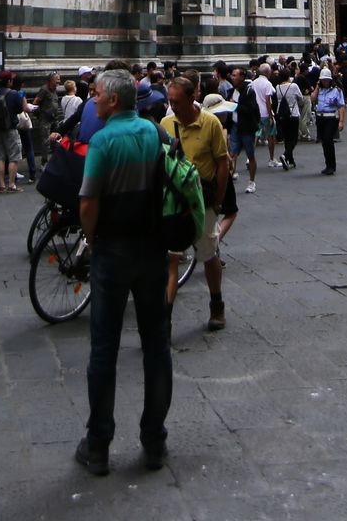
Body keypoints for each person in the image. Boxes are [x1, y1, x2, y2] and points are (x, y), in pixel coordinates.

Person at [74, 69, 171, 476]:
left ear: (114, 101)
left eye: (97, 95)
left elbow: (88, 201)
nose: (92, 99)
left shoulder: (101, 140)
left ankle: (98, 444)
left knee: (103, 349)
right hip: (152, 249)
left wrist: (92, 240)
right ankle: (154, 440)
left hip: (113, 252)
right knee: (156, 346)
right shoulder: (154, 133)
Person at [161, 77, 229, 331]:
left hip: (203, 200)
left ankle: (216, 304)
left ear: (192, 98)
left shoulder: (210, 123)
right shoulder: (166, 124)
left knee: (208, 253)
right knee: (172, 258)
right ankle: (164, 318)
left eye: (176, 101)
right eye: (170, 101)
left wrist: (219, 200)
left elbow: (222, 164)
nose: (173, 106)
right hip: (174, 201)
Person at [229, 66, 262, 192]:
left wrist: (235, 105)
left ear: (242, 77)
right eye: (232, 75)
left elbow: (250, 110)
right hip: (235, 126)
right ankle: (229, 178)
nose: (232, 77)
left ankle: (251, 181)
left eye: (235, 75)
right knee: (232, 154)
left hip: (247, 128)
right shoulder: (231, 91)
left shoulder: (248, 92)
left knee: (250, 154)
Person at [313, 72, 347, 176]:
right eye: (322, 80)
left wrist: (341, 121)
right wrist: (316, 88)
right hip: (320, 117)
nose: (324, 82)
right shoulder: (320, 90)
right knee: (324, 141)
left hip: (331, 117)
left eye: (326, 80)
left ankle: (331, 166)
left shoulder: (336, 91)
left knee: (328, 140)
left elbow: (341, 106)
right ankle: (328, 164)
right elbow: (312, 99)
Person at [273, 68, 304, 170]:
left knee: (287, 137)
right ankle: (285, 155)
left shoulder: (278, 87)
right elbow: (300, 99)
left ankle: (290, 160)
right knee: (294, 138)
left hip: (281, 114)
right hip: (293, 113)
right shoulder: (293, 86)